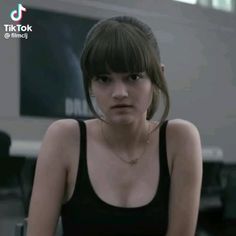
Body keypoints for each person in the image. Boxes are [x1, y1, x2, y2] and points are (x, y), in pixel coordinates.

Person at [26, 16, 202, 236]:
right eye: (104, 79)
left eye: (134, 76)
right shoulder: (65, 138)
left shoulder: (179, 139)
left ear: (158, 77)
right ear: (90, 83)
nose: (120, 93)